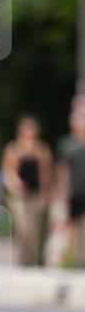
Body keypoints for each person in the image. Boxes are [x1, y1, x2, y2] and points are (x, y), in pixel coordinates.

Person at [1, 115, 53, 266]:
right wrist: (15, 183)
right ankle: (21, 258)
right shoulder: (13, 149)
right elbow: (7, 172)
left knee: (34, 230)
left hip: (35, 194)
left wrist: (45, 194)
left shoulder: (42, 150)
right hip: (17, 195)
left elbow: (46, 175)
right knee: (22, 227)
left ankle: (32, 260)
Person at [54, 106, 85, 266]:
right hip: (74, 190)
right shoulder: (67, 144)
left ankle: (82, 258)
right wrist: (63, 188)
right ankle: (72, 259)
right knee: (72, 225)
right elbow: (62, 169)